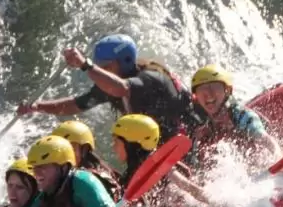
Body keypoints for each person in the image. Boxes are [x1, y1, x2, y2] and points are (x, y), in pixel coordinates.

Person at [16, 34, 200, 145]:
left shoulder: (150, 78)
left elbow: (122, 89)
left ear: (124, 62)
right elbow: (75, 105)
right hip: (156, 142)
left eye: (106, 66)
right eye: (99, 66)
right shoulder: (109, 86)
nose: (100, 70)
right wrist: (37, 107)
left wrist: (84, 64)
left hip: (186, 137)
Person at [111, 114, 210, 207]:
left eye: (116, 142)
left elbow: (187, 186)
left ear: (131, 144)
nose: (113, 147)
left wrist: (215, 201)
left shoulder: (160, 165)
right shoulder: (132, 173)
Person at [190, 64, 281, 172]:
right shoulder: (202, 133)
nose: (208, 94)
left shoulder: (242, 115)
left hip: (260, 167)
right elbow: (198, 171)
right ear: (196, 97)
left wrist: (278, 160)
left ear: (227, 90)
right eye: (202, 90)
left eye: (214, 87)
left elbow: (266, 140)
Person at [51, 120, 122, 202]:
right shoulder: (102, 169)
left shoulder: (90, 178)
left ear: (85, 149)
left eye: (70, 148)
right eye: (59, 151)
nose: (65, 155)